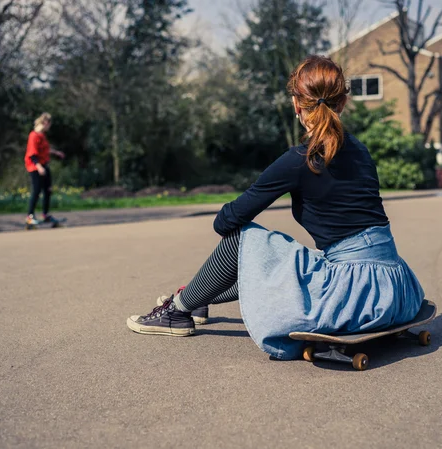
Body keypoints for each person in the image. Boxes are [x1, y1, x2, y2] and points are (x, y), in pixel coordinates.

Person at [126, 55, 425, 360]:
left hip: (350, 294)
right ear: (344, 103)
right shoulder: (361, 151)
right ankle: (194, 298)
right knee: (288, 262)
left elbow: (225, 222)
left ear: (297, 104)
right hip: (395, 288)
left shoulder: (300, 159)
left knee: (242, 239)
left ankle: (177, 312)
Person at [24, 113, 65, 226]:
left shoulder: (42, 136)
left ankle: (45, 215)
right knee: (37, 190)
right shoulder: (34, 135)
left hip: (43, 165)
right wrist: (39, 167)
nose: (50, 126)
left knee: (48, 190)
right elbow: (32, 154)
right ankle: (29, 216)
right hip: (35, 166)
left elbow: (45, 149)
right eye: (49, 123)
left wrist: (56, 152)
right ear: (45, 123)